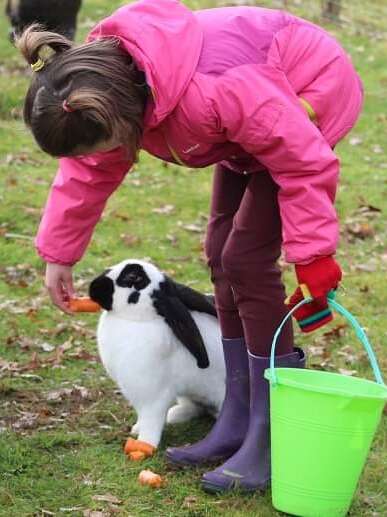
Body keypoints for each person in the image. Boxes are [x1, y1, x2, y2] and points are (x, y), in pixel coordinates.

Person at [17, 0, 363, 494]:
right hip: (242, 128)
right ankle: (238, 415)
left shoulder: (215, 90)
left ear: (119, 117)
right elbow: (87, 169)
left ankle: (273, 429)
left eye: (103, 144)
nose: (99, 158)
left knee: (245, 258)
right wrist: (59, 252)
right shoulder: (101, 90)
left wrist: (314, 255)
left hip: (305, 98)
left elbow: (300, 158)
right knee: (220, 256)